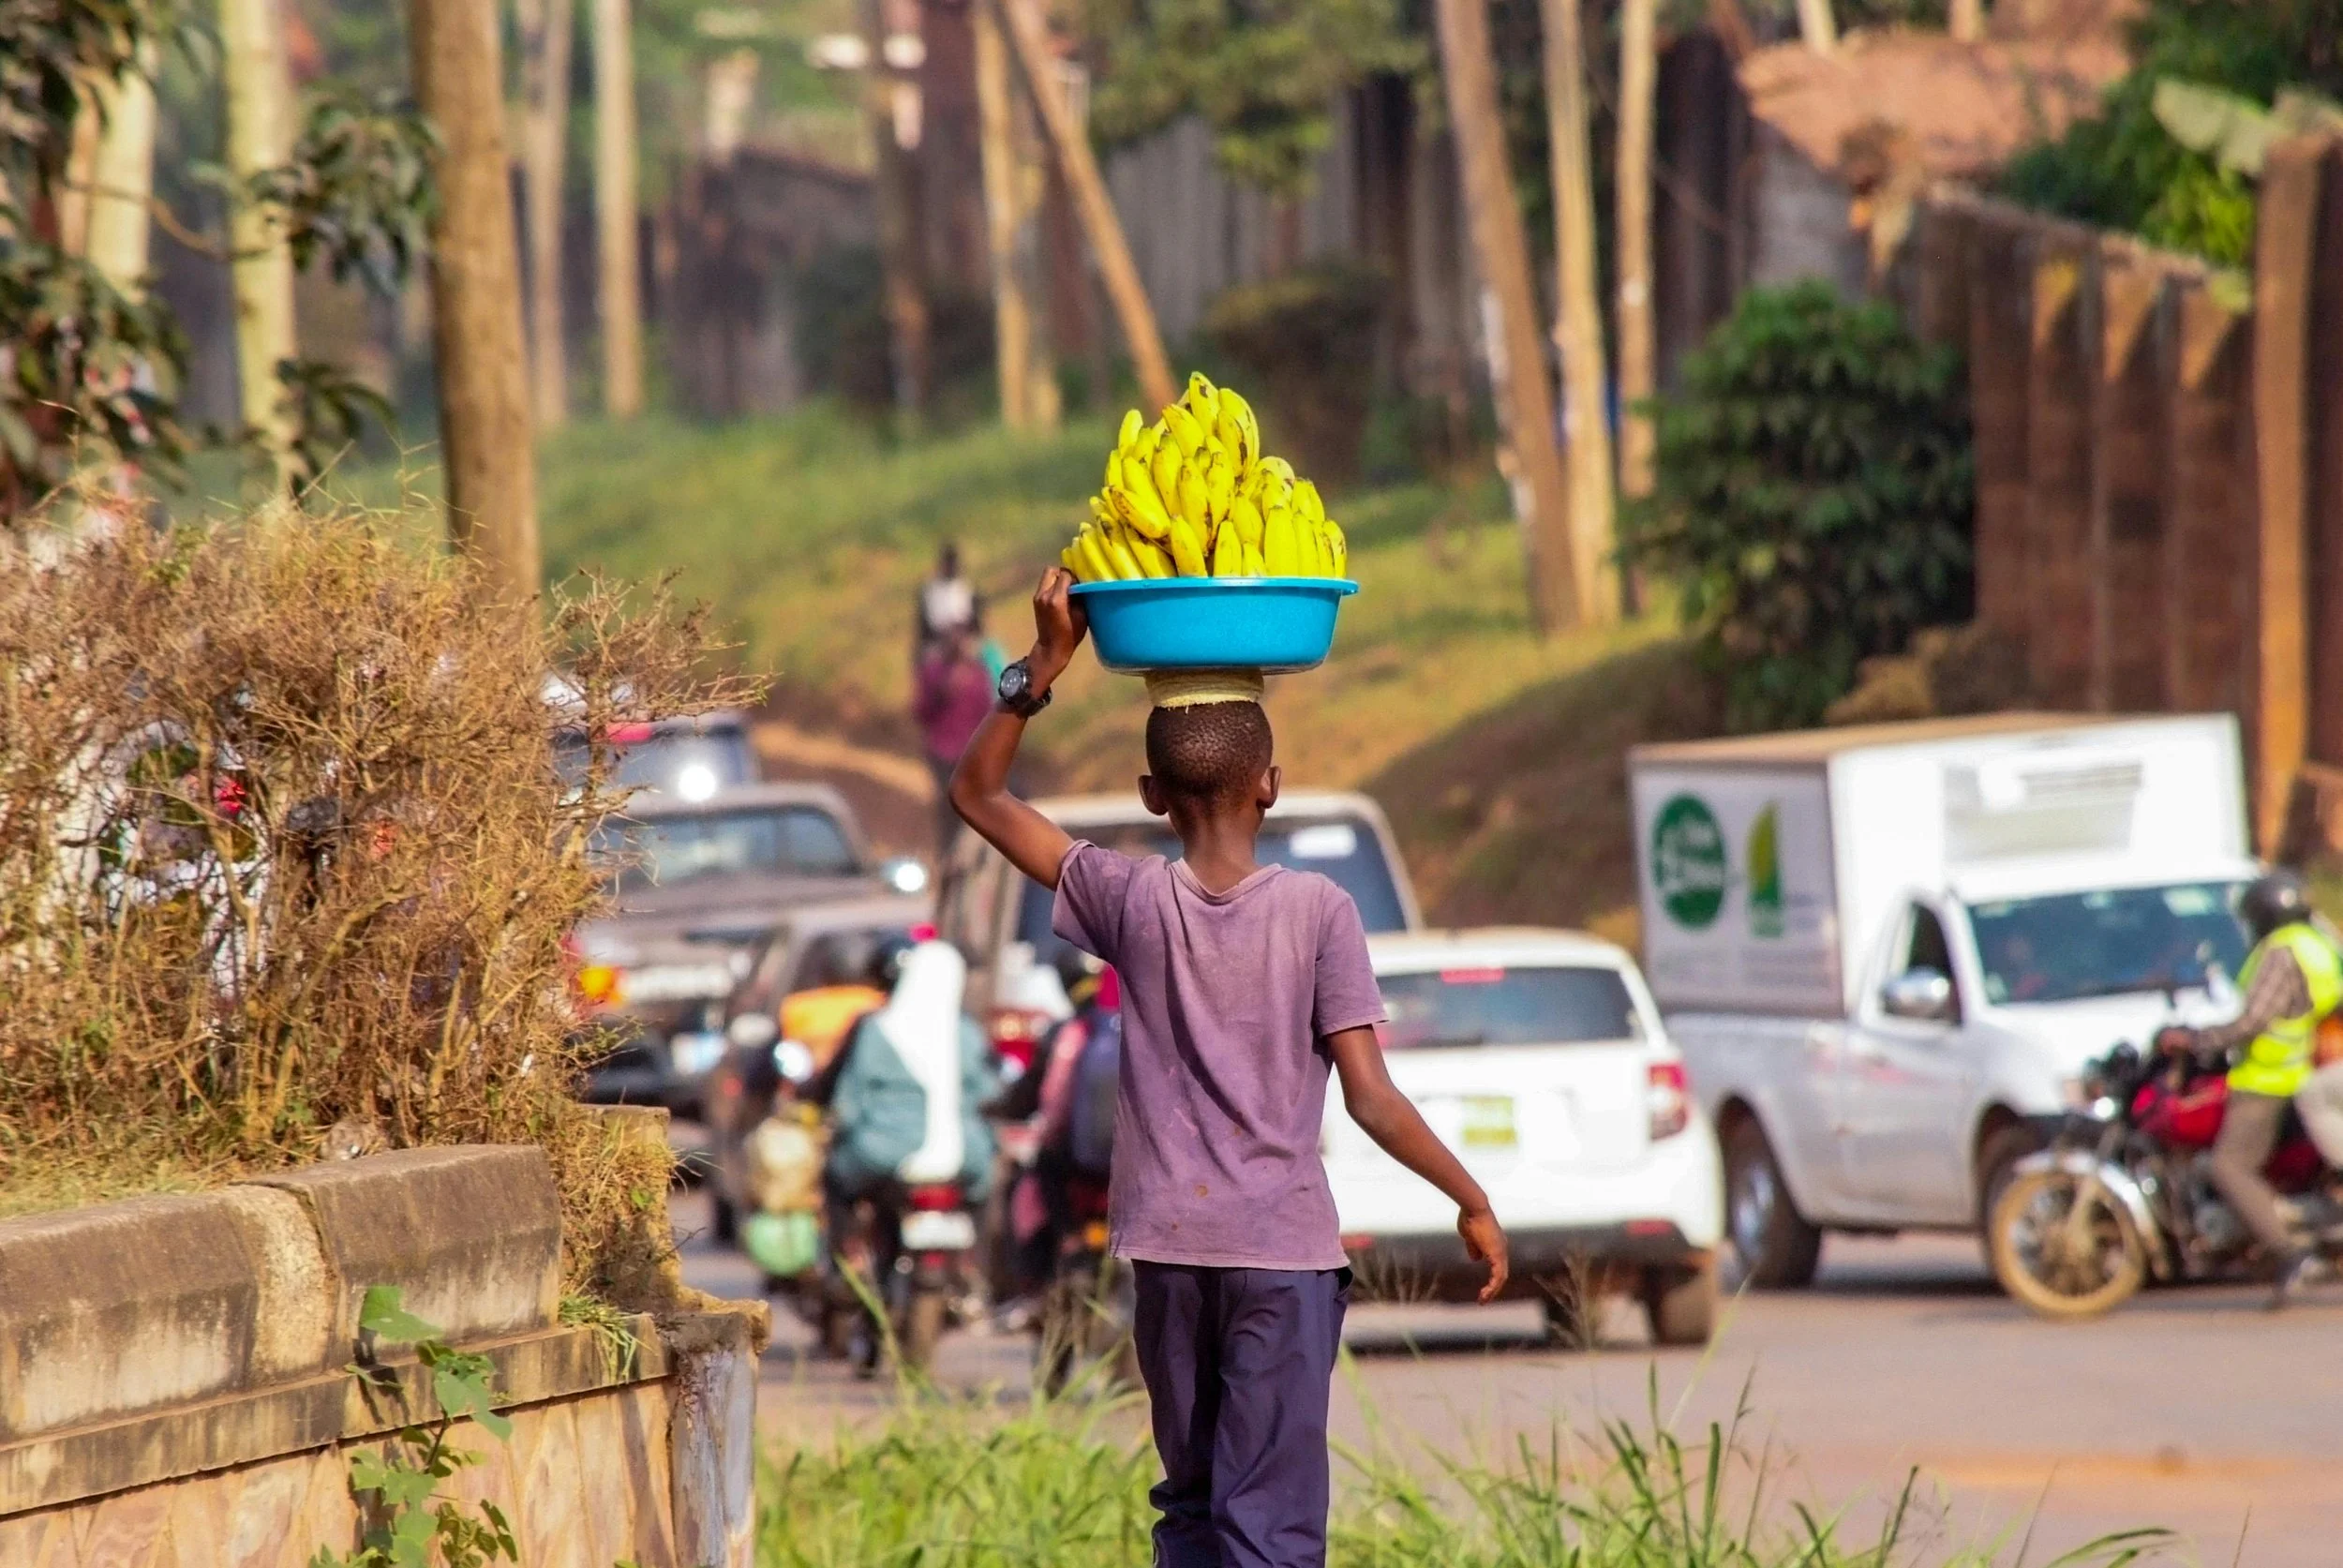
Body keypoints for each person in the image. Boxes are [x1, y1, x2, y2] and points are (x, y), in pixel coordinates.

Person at [948, 568, 1508, 1568]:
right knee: (1271, 1528)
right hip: (1280, 1259)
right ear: (1271, 783)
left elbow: (978, 793)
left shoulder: (1128, 899)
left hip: (1169, 1250)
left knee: (1195, 1511)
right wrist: (1469, 1195)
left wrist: (1042, 665)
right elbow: (1370, 1097)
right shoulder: (1320, 912)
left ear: (1150, 796)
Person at [2162, 870, 2343, 1307]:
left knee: (2229, 1167)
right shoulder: (2319, 943)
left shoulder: (2281, 952)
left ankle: (2289, 1253)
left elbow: (2255, 1019)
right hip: (2301, 1072)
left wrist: (2197, 1039)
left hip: (2269, 1080)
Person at [913, 627, 995, 859]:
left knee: (974, 805)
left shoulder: (979, 675)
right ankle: (948, 856)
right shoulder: (933, 673)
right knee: (949, 804)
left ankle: (971, 855)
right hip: (942, 752)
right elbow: (920, 711)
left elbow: (988, 713)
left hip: (970, 752)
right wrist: (943, 691)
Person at [914, 541, 980, 664]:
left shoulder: (967, 588)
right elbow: (925, 628)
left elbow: (976, 625)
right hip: (938, 643)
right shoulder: (930, 591)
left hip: (964, 642)